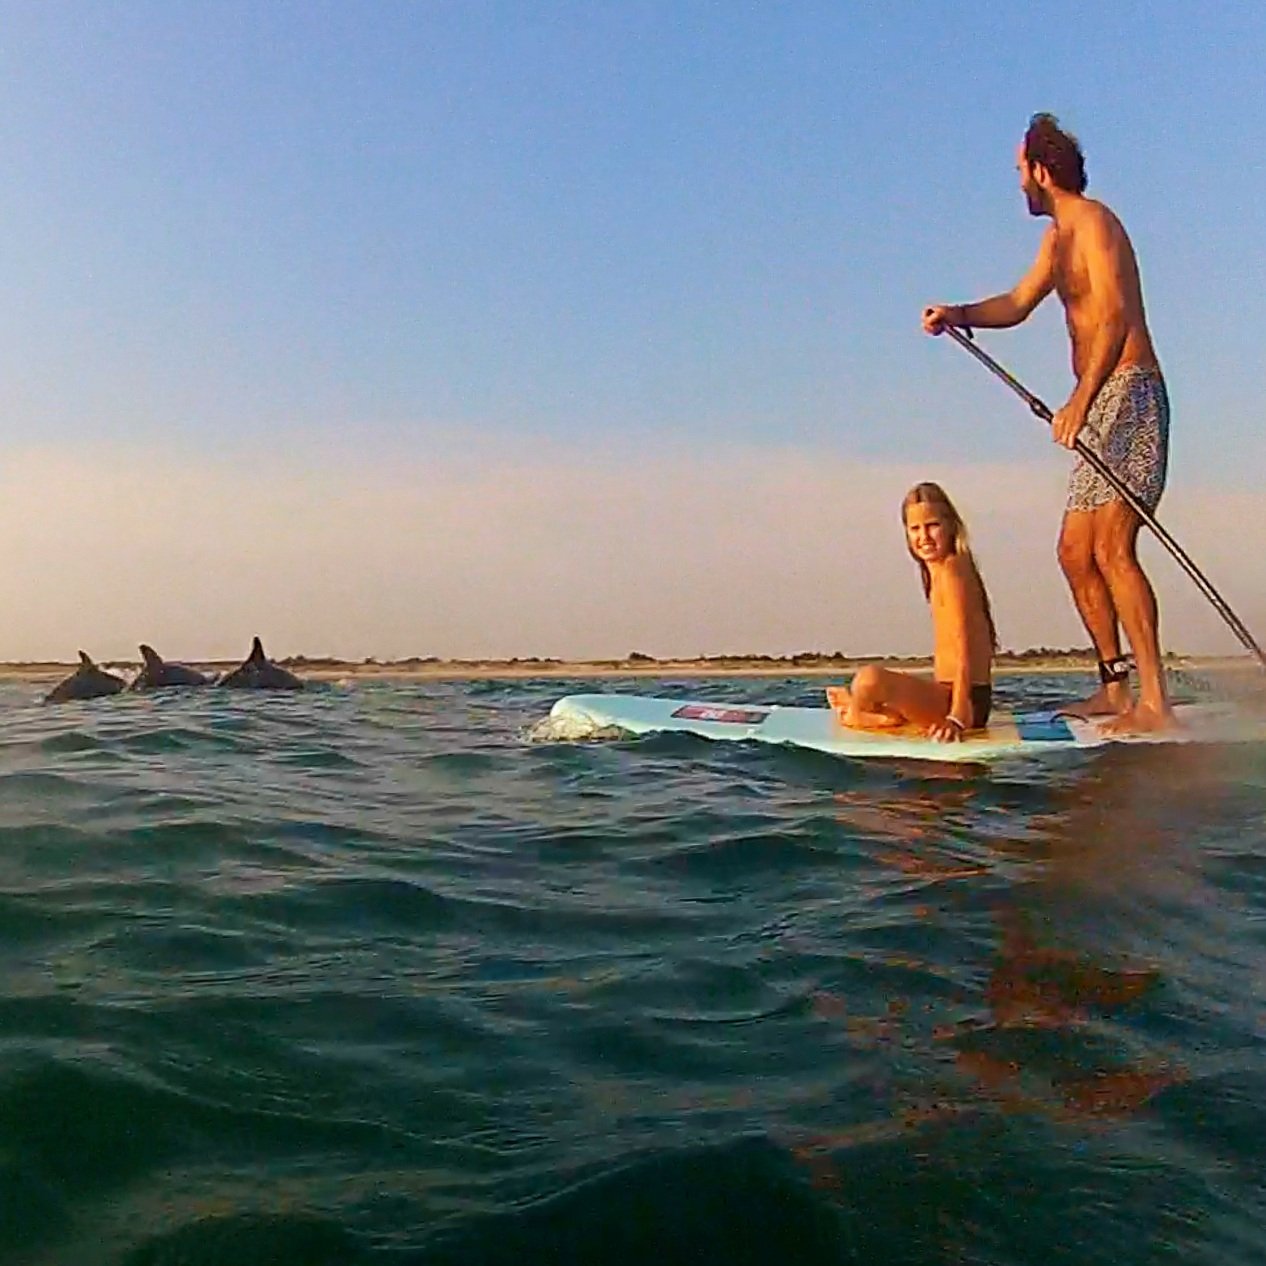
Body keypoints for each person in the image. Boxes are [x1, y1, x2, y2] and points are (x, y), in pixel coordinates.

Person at [922, 112, 1173, 734]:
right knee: (1073, 553)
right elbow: (1016, 303)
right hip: (1098, 402)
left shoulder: (1095, 222)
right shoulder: (1057, 240)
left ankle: (1156, 704)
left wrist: (1080, 402)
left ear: (1041, 168)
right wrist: (958, 312)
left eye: (1018, 171)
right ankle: (1114, 689)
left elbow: (1114, 319)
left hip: (1131, 394)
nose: (1017, 185)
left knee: (1113, 547)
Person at [827, 482, 996, 742]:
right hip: (948, 695)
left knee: (868, 680)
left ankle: (861, 715)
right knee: (878, 683)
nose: (924, 537)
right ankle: (876, 711)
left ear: (951, 524)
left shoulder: (952, 571)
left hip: (963, 701)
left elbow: (965, 647)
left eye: (933, 525)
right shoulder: (941, 569)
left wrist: (957, 715)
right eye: (915, 528)